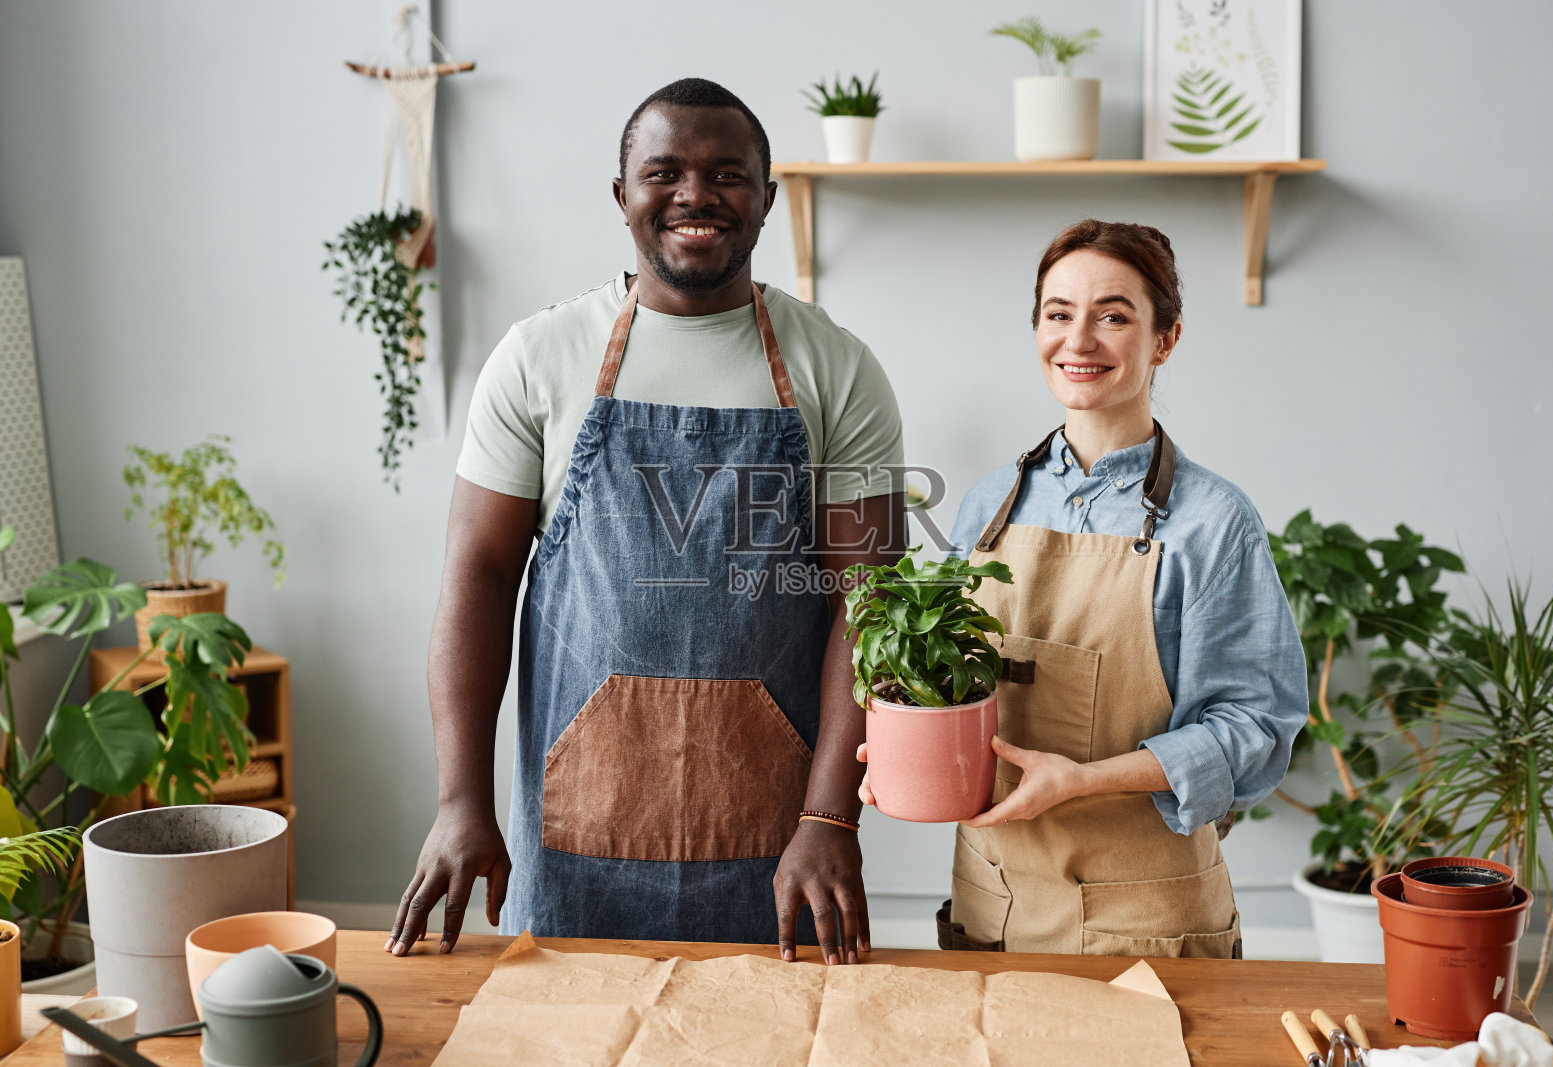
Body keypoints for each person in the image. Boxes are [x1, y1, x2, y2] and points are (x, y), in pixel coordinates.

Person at [389, 78, 903, 965]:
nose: (696, 195)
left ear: (767, 197)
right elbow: (478, 579)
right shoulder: (538, 357)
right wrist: (460, 800)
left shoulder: (839, 369)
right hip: (573, 841)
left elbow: (869, 605)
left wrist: (829, 816)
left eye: (727, 174)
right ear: (622, 194)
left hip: (781, 846)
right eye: (664, 172)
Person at [861, 219, 1306, 958]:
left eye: (1113, 316)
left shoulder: (1214, 522)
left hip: (1145, 917)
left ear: (1165, 339)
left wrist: (1082, 779)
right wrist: (906, 746)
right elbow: (951, 679)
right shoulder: (989, 504)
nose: (1079, 340)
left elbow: (1255, 729)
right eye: (1059, 314)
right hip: (994, 902)